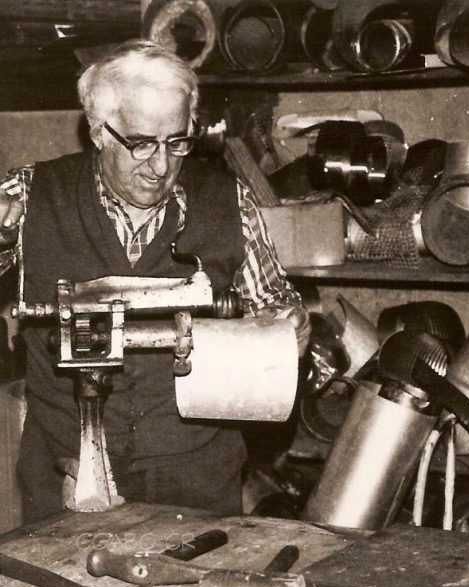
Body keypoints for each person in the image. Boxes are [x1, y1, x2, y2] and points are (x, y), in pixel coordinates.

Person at [0, 39, 308, 523]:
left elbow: (274, 303)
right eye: (141, 143)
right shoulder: (32, 194)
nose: (161, 166)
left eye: (177, 142)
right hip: (65, 465)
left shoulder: (229, 200)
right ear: (100, 131)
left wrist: (290, 324)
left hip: (197, 475)